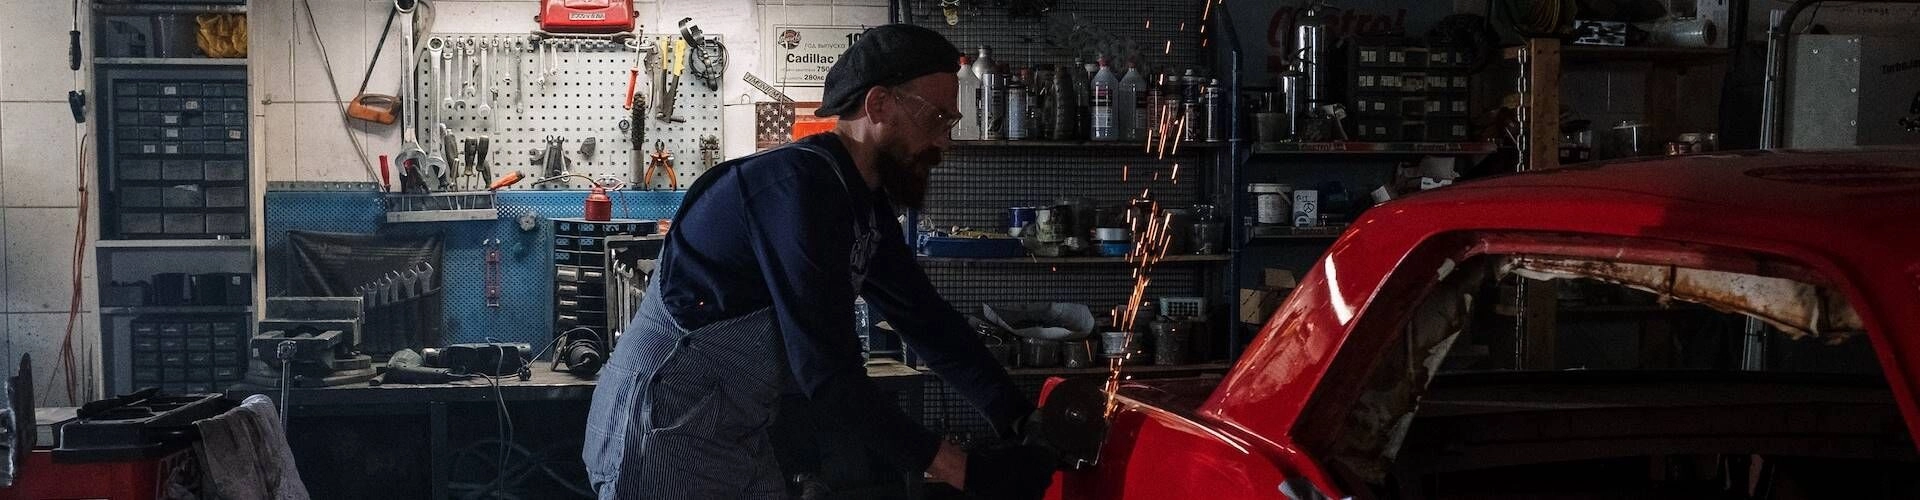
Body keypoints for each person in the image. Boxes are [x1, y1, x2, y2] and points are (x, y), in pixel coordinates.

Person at [584, 24, 1055, 499]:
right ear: (879, 105)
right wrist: (965, 471)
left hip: (728, 428)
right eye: (936, 118)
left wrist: (1019, 417)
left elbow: (927, 321)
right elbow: (829, 375)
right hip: (660, 429)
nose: (944, 142)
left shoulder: (860, 203)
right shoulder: (797, 190)